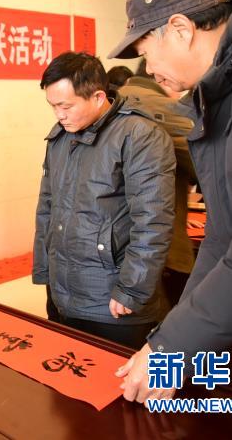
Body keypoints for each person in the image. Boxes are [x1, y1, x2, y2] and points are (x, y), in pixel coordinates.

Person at [109, 0, 232, 403]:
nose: (148, 68)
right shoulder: (224, 88)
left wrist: (172, 346)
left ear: (181, 28)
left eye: (147, 53)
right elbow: (223, 235)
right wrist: (171, 339)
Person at [33, 51, 175, 349]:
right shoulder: (60, 137)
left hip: (113, 301)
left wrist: (132, 290)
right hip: (62, 292)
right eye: (53, 106)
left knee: (114, 375)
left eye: (66, 106)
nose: (59, 115)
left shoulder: (139, 135)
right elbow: (47, 209)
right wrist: (45, 271)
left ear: (98, 97)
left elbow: (152, 221)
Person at [117, 60, 197, 307]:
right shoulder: (164, 107)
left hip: (111, 247)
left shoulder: (111, 101)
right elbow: (206, 165)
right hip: (160, 248)